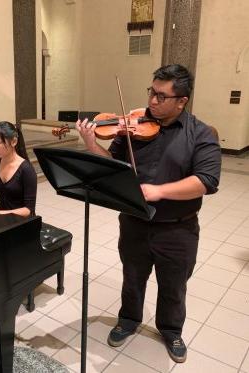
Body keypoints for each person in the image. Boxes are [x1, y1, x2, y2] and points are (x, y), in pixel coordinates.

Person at [76, 64, 221, 363]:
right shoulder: (133, 125)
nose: (152, 101)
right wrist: (92, 144)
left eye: (162, 96)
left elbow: (206, 181)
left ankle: (170, 330)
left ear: (182, 101)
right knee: (132, 276)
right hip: (134, 221)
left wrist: (160, 190)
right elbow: (113, 164)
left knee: (173, 285)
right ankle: (129, 319)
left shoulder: (201, 134)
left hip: (177, 229)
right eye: (151, 92)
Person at [0, 121, 37, 217]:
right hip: (3, 221)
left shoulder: (26, 169)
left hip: (22, 222)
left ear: (14, 141)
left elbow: (29, 210)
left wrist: (3, 213)